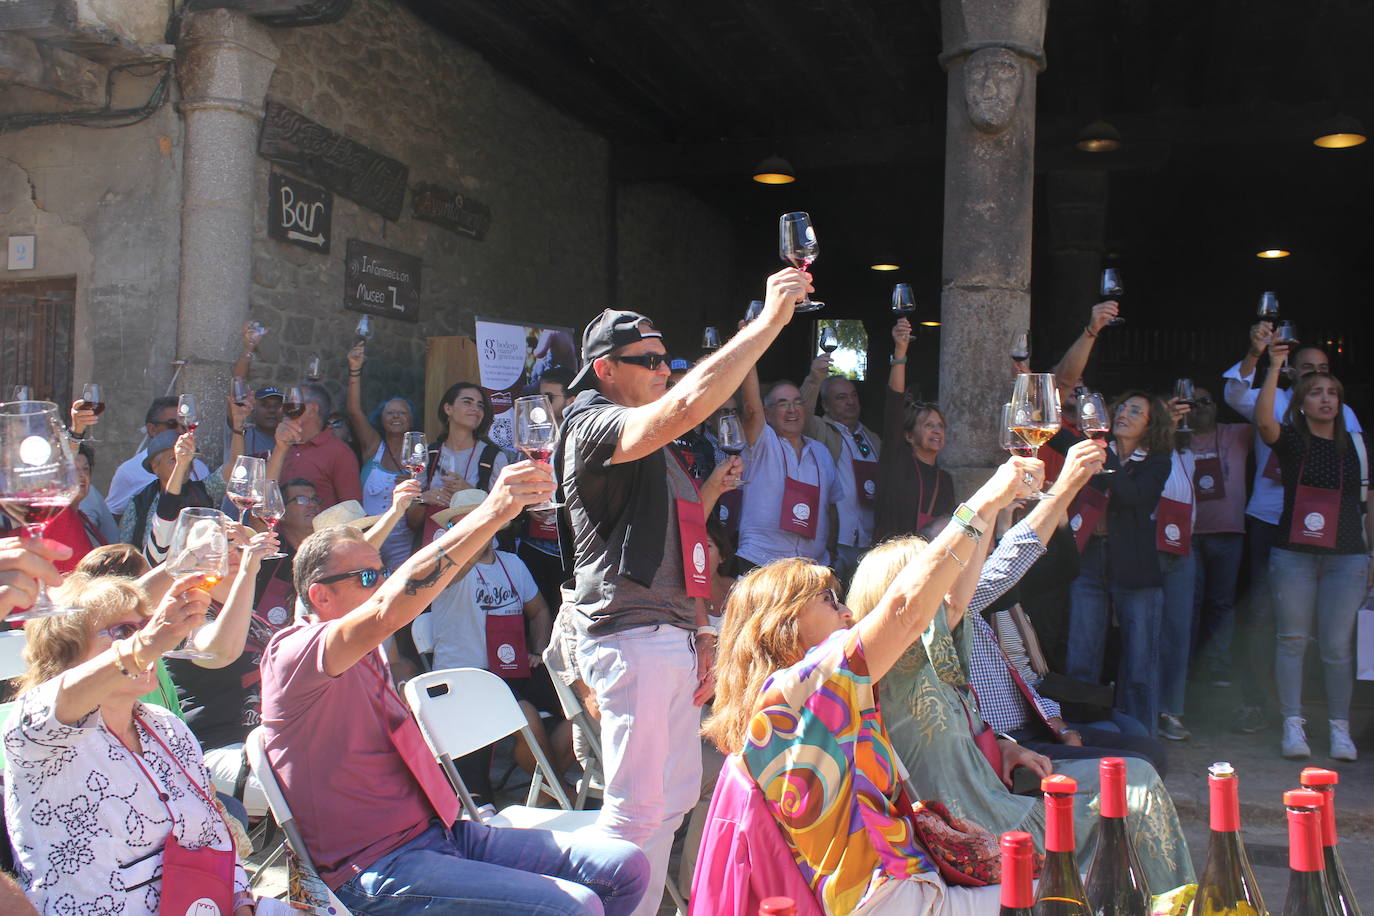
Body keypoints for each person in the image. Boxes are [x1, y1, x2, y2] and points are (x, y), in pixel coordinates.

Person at [259, 460, 647, 914]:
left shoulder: (370, 650)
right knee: (574, 906)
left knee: (626, 868)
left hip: (440, 831)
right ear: (320, 596)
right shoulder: (297, 651)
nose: (381, 584)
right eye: (367, 578)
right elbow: (390, 606)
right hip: (375, 865)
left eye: (381, 571)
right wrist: (493, 512)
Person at [557, 268, 809, 916]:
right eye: (648, 361)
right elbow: (689, 405)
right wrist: (767, 325)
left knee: (670, 802)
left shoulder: (658, 443)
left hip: (666, 632)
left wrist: (700, 628)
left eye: (667, 360)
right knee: (636, 811)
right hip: (630, 633)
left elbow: (686, 537)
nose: (663, 370)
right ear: (605, 369)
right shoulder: (592, 422)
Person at [700, 457, 1039, 914]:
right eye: (828, 600)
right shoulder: (801, 688)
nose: (848, 614)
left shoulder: (792, 703)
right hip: (891, 898)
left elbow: (947, 607)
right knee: (1061, 889)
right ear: (781, 626)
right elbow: (905, 609)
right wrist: (984, 503)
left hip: (889, 890)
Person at [851, 441, 1191, 893]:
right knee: (1137, 783)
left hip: (1008, 780)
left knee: (1141, 762)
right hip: (983, 833)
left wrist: (1003, 747)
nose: (950, 587)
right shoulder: (889, 667)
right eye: (935, 576)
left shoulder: (943, 649)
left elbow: (969, 585)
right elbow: (995, 568)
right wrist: (995, 498)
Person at [4, 573, 256, 915]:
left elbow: (214, 835)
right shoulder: (38, 737)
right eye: (123, 632)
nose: (145, 640)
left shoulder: (165, 727)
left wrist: (241, 904)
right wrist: (146, 643)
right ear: (68, 652)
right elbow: (52, 705)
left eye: (144, 625)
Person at [1222, 327, 1364, 734]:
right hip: (1273, 522)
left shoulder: (1345, 415)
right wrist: (1260, 356)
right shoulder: (1278, 401)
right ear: (1292, 373)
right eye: (1308, 370)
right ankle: (1261, 706)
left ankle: (1324, 717)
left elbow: (1359, 479)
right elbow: (1234, 395)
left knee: (1331, 636)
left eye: (1324, 372)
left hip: (1338, 536)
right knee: (1268, 621)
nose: (1317, 380)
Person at [1254, 346, 1371, 761]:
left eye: (1332, 392)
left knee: (1338, 647)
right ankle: (1293, 725)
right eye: (1316, 392)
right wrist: (1272, 369)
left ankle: (1340, 729)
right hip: (1294, 556)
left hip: (1348, 558)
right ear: (1301, 405)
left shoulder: (1359, 445)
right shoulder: (1293, 442)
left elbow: (1369, 504)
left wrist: (1372, 557)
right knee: (1292, 641)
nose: (1326, 399)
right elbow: (1263, 418)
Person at [427, 490, 573, 807]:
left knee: (581, 706)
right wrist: (475, 531)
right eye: (462, 522)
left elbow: (539, 611)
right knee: (526, 716)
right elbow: (461, 562)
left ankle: (549, 794)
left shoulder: (512, 563)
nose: (472, 527)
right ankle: (562, 793)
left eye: (479, 518)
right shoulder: (447, 567)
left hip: (511, 668)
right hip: (465, 677)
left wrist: (538, 648)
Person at [1065, 391, 1173, 734]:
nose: (1124, 412)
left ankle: (1141, 738)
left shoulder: (1157, 461)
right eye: (1122, 406)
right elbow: (1054, 438)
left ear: (1149, 425)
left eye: (1136, 411)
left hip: (1135, 566)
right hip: (1090, 558)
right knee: (1081, 653)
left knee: (1139, 663)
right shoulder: (1095, 450)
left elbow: (1134, 498)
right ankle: (1079, 732)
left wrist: (1105, 451)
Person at [735, 373, 840, 570]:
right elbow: (751, 410)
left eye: (798, 403)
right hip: (761, 562)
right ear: (767, 413)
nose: (792, 410)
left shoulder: (821, 452)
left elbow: (832, 509)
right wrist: (749, 357)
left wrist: (831, 553)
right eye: (783, 404)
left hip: (812, 567)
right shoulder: (761, 443)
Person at [1187, 385, 1254, 688]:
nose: (1200, 407)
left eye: (1206, 401)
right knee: (1190, 604)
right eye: (1193, 402)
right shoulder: (1176, 437)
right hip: (1187, 535)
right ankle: (1186, 666)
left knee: (1221, 604)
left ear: (1216, 406)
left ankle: (1216, 667)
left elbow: (1268, 418)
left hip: (1229, 532)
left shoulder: (1238, 432)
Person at [800, 353, 882, 581]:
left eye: (853, 396)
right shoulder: (821, 431)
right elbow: (801, 416)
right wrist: (814, 379)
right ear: (825, 404)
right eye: (841, 398)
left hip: (869, 540)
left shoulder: (872, 438)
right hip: (837, 540)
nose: (850, 402)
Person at [874, 319, 956, 541]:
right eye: (928, 425)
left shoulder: (945, 479)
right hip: (891, 561)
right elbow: (894, 403)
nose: (937, 431)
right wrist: (900, 352)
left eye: (940, 426)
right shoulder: (897, 461)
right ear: (909, 435)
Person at [346, 341, 423, 569]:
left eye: (402, 413)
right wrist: (354, 369)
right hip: (370, 537)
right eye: (390, 413)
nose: (396, 416)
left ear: (411, 419)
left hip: (405, 542)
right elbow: (353, 411)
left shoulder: (420, 455)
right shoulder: (373, 446)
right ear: (381, 418)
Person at [1154, 407, 1197, 742]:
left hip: (1183, 547)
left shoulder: (1187, 455)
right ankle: (1140, 709)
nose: (1177, 423)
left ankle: (1172, 709)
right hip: (1147, 548)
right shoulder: (1138, 454)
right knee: (1144, 632)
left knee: (1177, 633)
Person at [105, 396, 210, 518]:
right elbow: (113, 516)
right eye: (172, 424)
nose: (179, 430)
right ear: (152, 429)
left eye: (183, 424)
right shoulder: (129, 471)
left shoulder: (199, 467)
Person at [278, 382, 363, 509]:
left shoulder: (340, 453)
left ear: (312, 409)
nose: (281, 409)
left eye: (293, 401)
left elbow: (352, 510)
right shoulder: (282, 445)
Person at [42, 443, 107, 572]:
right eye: (73, 469)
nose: (82, 475)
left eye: (86, 469)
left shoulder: (83, 518)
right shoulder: (54, 515)